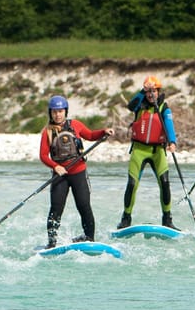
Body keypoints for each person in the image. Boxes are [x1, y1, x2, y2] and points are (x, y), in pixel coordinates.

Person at [38, 96, 114, 248]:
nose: (57, 115)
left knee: (84, 205)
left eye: (60, 111)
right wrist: (55, 166)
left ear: (65, 111)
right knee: (56, 209)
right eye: (54, 112)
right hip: (60, 176)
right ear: (50, 113)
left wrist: (103, 132)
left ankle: (89, 238)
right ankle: (51, 243)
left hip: (79, 173)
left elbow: (91, 135)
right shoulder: (47, 132)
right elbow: (43, 155)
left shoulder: (75, 125)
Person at [117, 75, 180, 230]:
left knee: (165, 183)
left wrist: (172, 141)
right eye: (149, 92)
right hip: (139, 150)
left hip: (157, 151)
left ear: (158, 92)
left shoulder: (164, 107)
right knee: (132, 184)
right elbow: (130, 106)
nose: (152, 95)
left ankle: (167, 219)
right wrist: (142, 90)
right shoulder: (140, 105)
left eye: (154, 91)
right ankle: (126, 218)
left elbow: (169, 125)